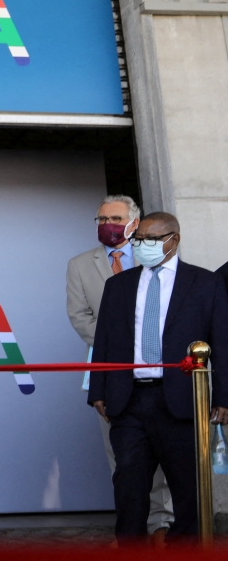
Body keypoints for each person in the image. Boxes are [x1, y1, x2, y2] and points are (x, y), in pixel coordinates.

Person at [88, 211, 228, 540]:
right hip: (129, 401)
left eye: (150, 240)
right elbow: (104, 340)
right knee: (130, 490)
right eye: (138, 240)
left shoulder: (206, 284)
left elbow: (221, 344)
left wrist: (223, 398)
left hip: (183, 402)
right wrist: (97, 391)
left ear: (173, 240)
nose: (141, 246)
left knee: (189, 492)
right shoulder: (118, 285)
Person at [66, 195, 173, 541]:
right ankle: (130, 529)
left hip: (157, 369)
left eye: (113, 217)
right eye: (100, 219)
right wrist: (119, 342)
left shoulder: (155, 257)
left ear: (133, 222)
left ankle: (160, 524)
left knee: (160, 449)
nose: (105, 224)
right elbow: (79, 316)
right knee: (122, 457)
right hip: (108, 368)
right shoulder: (80, 265)